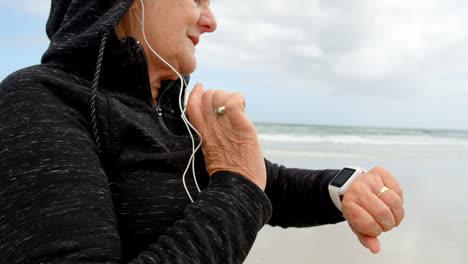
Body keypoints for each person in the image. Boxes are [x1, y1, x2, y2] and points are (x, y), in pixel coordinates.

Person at [0, 0, 404, 263]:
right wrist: (239, 181)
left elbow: (268, 183)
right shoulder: (39, 100)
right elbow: (244, 182)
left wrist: (344, 189)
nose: (210, 21)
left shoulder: (172, 109)